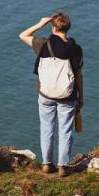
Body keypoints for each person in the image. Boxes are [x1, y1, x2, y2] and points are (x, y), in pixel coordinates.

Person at [19, 12, 84, 177]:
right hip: (67, 96)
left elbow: (23, 35)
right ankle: (63, 166)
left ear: (53, 26)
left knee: (46, 129)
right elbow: (78, 75)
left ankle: (47, 164)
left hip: (46, 94)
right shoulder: (75, 49)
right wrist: (81, 96)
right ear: (68, 27)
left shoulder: (43, 44)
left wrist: (40, 24)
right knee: (65, 131)